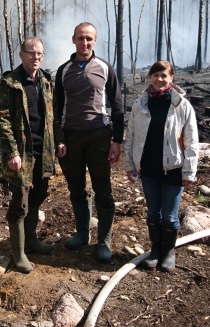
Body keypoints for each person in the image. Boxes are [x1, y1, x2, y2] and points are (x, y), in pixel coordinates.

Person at [54, 22, 124, 264]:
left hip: (99, 136)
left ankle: (104, 240)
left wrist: (117, 140)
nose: (85, 43)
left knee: (103, 189)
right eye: (81, 38)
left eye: (89, 39)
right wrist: (60, 139)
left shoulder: (105, 68)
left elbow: (117, 106)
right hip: (71, 137)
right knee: (76, 188)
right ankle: (82, 233)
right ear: (73, 39)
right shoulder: (63, 71)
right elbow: (56, 109)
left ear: (95, 41)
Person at [0, 37, 66, 273]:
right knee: (20, 204)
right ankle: (19, 254)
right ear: (21, 55)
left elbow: (52, 116)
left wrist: (59, 141)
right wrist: (12, 152)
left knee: (38, 196)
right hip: (21, 155)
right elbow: (2, 120)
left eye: (40, 53)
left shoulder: (45, 81)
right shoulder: (11, 82)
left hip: (43, 151)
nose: (36, 57)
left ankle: (32, 241)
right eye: (32, 53)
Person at [123, 60, 199, 272]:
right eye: (156, 75)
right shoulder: (140, 105)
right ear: (150, 78)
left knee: (170, 216)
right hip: (148, 168)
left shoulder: (182, 106)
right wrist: (130, 165)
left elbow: (192, 141)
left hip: (173, 169)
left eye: (164, 75)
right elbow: (131, 137)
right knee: (153, 214)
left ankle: (168, 252)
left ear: (172, 78)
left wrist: (189, 172)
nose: (160, 79)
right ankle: (156, 249)